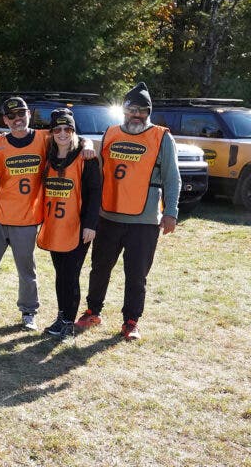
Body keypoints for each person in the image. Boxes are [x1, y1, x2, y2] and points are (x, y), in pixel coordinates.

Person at [74, 82, 180, 341]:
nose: (137, 114)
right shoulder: (110, 133)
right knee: (99, 268)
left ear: (149, 112)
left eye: (142, 110)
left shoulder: (161, 136)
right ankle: (92, 311)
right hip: (108, 216)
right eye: (132, 109)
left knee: (136, 274)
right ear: (123, 110)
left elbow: (172, 178)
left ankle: (131, 321)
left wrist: (171, 212)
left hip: (144, 221)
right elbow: (97, 173)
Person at [0, 97, 48, 329]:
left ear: (29, 114)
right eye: (12, 116)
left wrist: (85, 146)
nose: (17, 119)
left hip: (26, 214)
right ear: (5, 119)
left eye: (21, 114)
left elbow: (74, 139)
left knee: (26, 266)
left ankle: (28, 312)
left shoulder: (44, 138)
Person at [36, 109, 101, 340]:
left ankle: (69, 324)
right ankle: (62, 316)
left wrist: (91, 224)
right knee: (60, 274)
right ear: (52, 132)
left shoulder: (86, 157)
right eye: (58, 129)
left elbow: (95, 193)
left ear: (73, 131)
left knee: (71, 275)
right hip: (55, 225)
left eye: (68, 129)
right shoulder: (49, 154)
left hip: (78, 226)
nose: (63, 133)